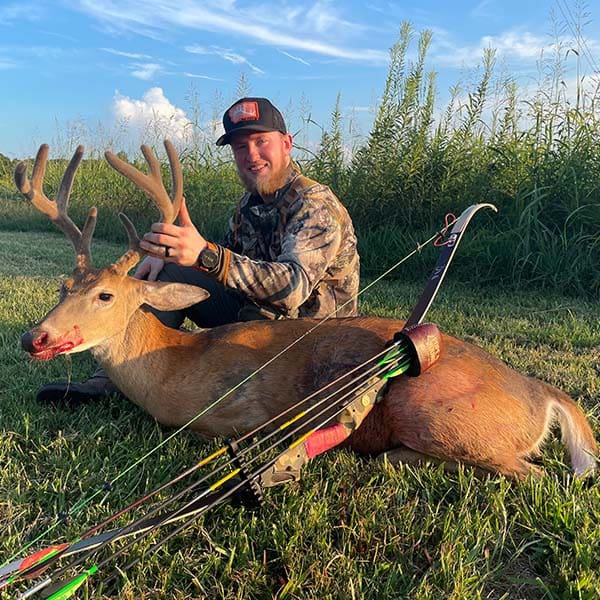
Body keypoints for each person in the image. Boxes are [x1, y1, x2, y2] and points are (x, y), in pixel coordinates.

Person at [37, 96, 360, 403]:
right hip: (255, 313)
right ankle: (113, 377)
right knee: (163, 273)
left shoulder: (315, 205)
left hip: (311, 336)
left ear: (287, 144)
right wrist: (170, 254)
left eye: (262, 141)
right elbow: (231, 261)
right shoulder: (249, 204)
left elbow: (292, 289)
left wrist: (205, 255)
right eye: (240, 146)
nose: (251, 155)